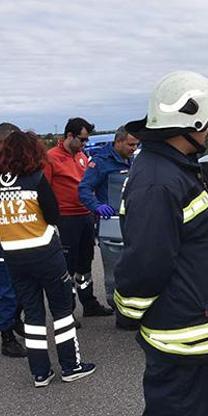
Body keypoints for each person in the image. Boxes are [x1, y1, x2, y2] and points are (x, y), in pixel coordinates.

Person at [116, 71, 208, 415]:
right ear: (190, 120)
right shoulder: (158, 181)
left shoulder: (174, 169)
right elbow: (146, 263)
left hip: (204, 340)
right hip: (185, 345)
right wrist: (128, 311)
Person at [0, 129, 96, 387]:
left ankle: (40, 372)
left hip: (13, 257)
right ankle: (70, 366)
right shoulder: (36, 178)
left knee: (32, 314)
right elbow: (53, 216)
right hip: (44, 253)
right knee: (62, 310)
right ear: (33, 151)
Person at [44, 117, 113, 318]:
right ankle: (67, 309)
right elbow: (45, 190)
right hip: (66, 219)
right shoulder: (51, 158)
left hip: (86, 216)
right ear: (70, 136)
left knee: (85, 264)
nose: (84, 144)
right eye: (82, 140)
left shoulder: (82, 157)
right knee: (67, 267)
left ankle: (89, 303)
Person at [78, 125, 139, 310]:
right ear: (118, 141)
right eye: (130, 145)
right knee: (116, 270)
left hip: (134, 222)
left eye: (136, 145)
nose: (134, 148)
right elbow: (84, 189)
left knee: (136, 268)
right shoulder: (101, 162)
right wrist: (96, 206)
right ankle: (118, 307)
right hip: (112, 224)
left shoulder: (134, 160)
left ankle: (136, 306)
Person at [0, 122, 26, 358]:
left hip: (16, 237)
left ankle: (14, 319)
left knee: (18, 284)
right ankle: (6, 336)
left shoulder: (14, 167)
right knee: (6, 288)